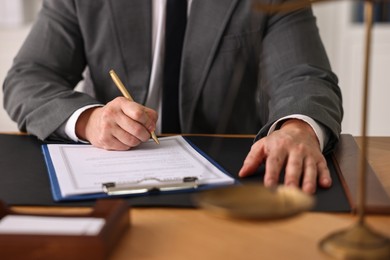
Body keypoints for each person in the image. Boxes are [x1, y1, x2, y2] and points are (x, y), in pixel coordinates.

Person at [3, 0, 343, 194]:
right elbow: (29, 78)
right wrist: (90, 121)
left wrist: (297, 128)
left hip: (233, 178)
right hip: (110, 178)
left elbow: (305, 75)